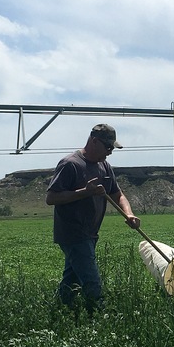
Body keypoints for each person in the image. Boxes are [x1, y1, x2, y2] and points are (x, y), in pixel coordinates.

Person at [46, 123, 140, 313]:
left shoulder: (104, 166)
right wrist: (84, 192)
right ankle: (99, 317)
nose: (110, 152)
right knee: (91, 281)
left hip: (90, 233)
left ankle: (60, 310)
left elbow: (117, 194)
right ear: (94, 141)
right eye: (108, 147)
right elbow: (52, 198)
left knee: (72, 278)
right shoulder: (70, 164)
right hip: (73, 233)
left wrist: (128, 213)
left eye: (113, 148)